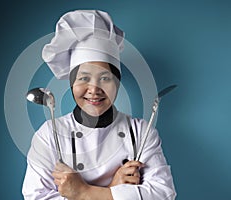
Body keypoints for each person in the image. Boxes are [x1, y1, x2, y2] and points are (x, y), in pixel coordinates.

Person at [22, 10, 176, 200]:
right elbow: (35, 197)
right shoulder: (49, 135)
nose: (94, 89)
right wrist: (113, 189)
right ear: (71, 83)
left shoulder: (141, 132)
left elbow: (163, 194)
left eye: (105, 78)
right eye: (84, 78)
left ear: (117, 83)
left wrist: (84, 192)